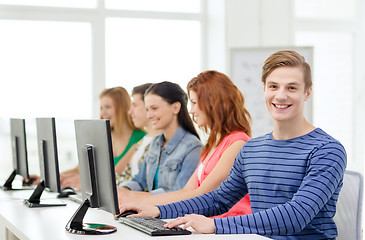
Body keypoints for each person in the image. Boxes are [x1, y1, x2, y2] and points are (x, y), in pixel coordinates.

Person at [120, 51, 347, 239]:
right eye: (274, 86)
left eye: (292, 88)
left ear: (307, 92)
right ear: (264, 89)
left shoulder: (327, 150)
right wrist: (158, 211)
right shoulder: (252, 150)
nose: (281, 96)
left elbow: (296, 216)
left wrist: (215, 226)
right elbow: (218, 200)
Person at [118, 70, 252, 218]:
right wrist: (135, 200)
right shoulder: (213, 144)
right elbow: (187, 191)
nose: (191, 110)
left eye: (194, 103)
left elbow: (201, 195)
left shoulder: (237, 143)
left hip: (227, 228)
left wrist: (144, 203)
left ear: (213, 103)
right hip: (206, 225)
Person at [119, 81, 202, 195]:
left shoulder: (193, 148)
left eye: (154, 108)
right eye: (147, 109)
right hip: (149, 208)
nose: (149, 115)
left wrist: (138, 197)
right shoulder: (155, 143)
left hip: (171, 212)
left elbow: (180, 194)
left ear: (175, 108)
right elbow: (139, 181)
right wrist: (122, 191)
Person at [61, 86, 145, 189]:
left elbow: (114, 175)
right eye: (101, 108)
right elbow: (80, 169)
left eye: (108, 107)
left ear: (122, 108)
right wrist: (49, 179)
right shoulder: (101, 138)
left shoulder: (141, 139)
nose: (102, 113)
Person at [116, 83, 160, 186]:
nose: (130, 112)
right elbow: (121, 175)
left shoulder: (161, 142)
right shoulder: (141, 142)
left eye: (134, 105)